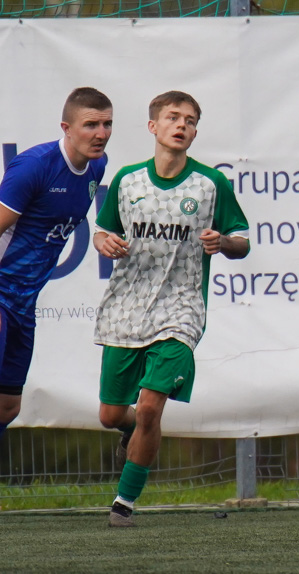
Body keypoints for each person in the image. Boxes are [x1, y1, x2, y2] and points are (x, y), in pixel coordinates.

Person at [93, 91, 250, 527]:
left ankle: (123, 504)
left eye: (191, 120)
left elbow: (242, 240)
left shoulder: (210, 184)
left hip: (180, 310)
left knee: (149, 409)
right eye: (173, 117)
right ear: (153, 127)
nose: (182, 125)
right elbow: (103, 232)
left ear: (195, 132)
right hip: (126, 310)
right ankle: (134, 433)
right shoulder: (127, 180)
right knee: (111, 416)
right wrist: (103, 240)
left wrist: (226, 243)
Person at [0, 88, 113, 532]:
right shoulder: (34, 167)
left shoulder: (97, 166)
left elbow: (82, 223)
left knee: (7, 407)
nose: (101, 133)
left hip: (25, 306)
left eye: (107, 124)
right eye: (91, 124)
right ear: (66, 128)